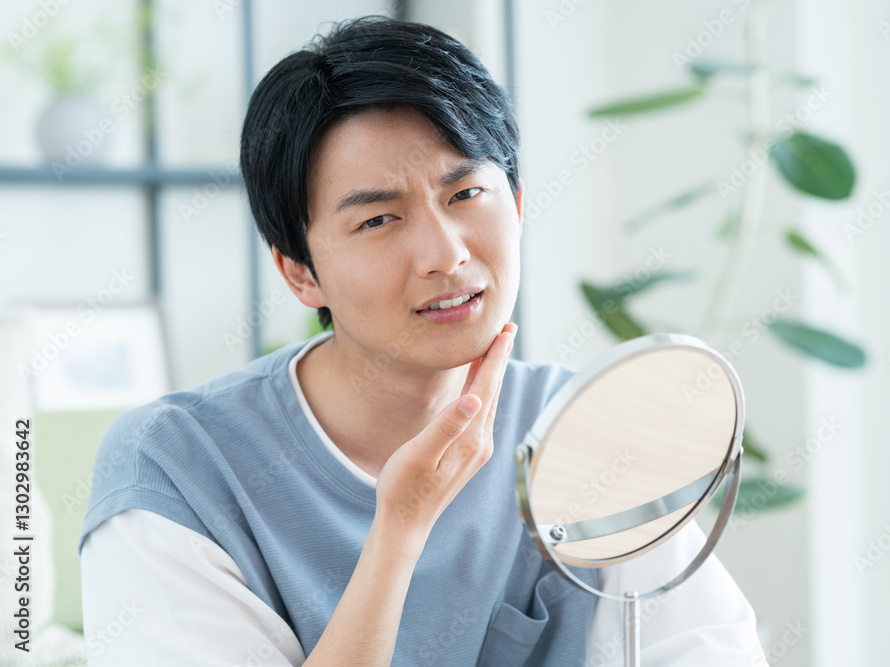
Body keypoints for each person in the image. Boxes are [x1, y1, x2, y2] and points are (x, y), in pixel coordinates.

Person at [78, 15, 765, 666]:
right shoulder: (176, 468)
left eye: (465, 195)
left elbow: (701, 644)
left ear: (517, 205)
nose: (446, 254)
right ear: (301, 272)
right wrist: (401, 526)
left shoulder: (582, 426)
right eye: (378, 220)